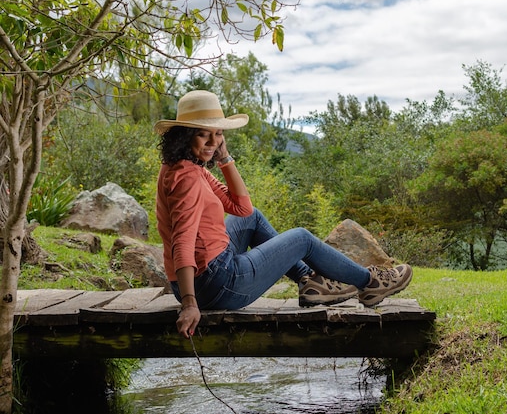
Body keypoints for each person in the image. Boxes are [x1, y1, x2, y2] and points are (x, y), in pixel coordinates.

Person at [154, 90, 413, 338]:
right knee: (301, 238)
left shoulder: (183, 166)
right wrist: (189, 304)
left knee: (251, 216)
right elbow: (182, 240)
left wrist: (225, 159)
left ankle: (308, 281)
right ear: (184, 136)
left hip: (203, 279)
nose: (213, 142)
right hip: (216, 284)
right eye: (203, 135)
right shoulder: (187, 178)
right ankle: (370, 282)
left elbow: (241, 208)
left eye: (218, 134)